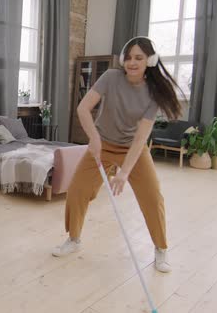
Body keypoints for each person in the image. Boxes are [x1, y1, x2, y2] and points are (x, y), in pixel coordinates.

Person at [51, 36, 183, 273]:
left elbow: (141, 137)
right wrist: (94, 138)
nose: (132, 63)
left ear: (149, 61)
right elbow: (83, 108)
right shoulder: (111, 78)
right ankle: (74, 239)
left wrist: (124, 172)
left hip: (133, 149)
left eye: (139, 58)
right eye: (129, 57)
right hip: (102, 144)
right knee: (78, 190)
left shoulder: (154, 94)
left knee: (153, 198)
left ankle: (161, 249)